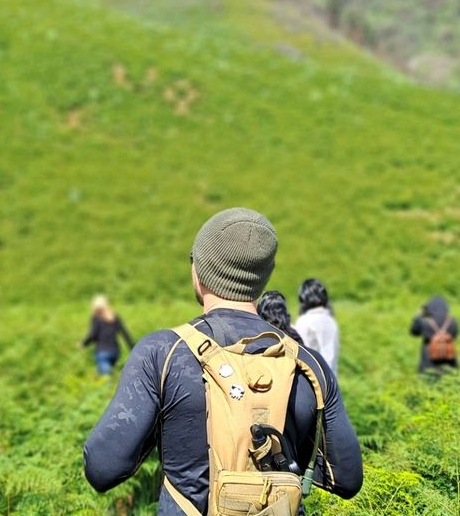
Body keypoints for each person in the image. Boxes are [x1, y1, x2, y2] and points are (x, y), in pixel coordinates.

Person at [83, 208, 363, 514]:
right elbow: (347, 479)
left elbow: (102, 469)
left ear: (198, 269)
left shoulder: (163, 351)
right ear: (265, 274)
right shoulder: (307, 364)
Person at [294, 278, 340, 374]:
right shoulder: (330, 321)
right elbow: (330, 357)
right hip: (331, 382)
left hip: (310, 381)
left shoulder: (303, 321)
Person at [80, 294, 134, 375]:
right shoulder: (114, 316)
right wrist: (133, 348)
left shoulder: (96, 318)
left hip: (102, 352)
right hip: (115, 352)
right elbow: (125, 333)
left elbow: (93, 335)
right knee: (111, 374)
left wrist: (83, 344)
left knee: (105, 379)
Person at [409, 295, 459, 374]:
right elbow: (455, 335)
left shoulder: (424, 321)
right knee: (448, 377)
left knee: (429, 378)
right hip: (449, 358)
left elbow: (413, 332)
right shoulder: (452, 321)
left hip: (429, 359)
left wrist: (418, 316)